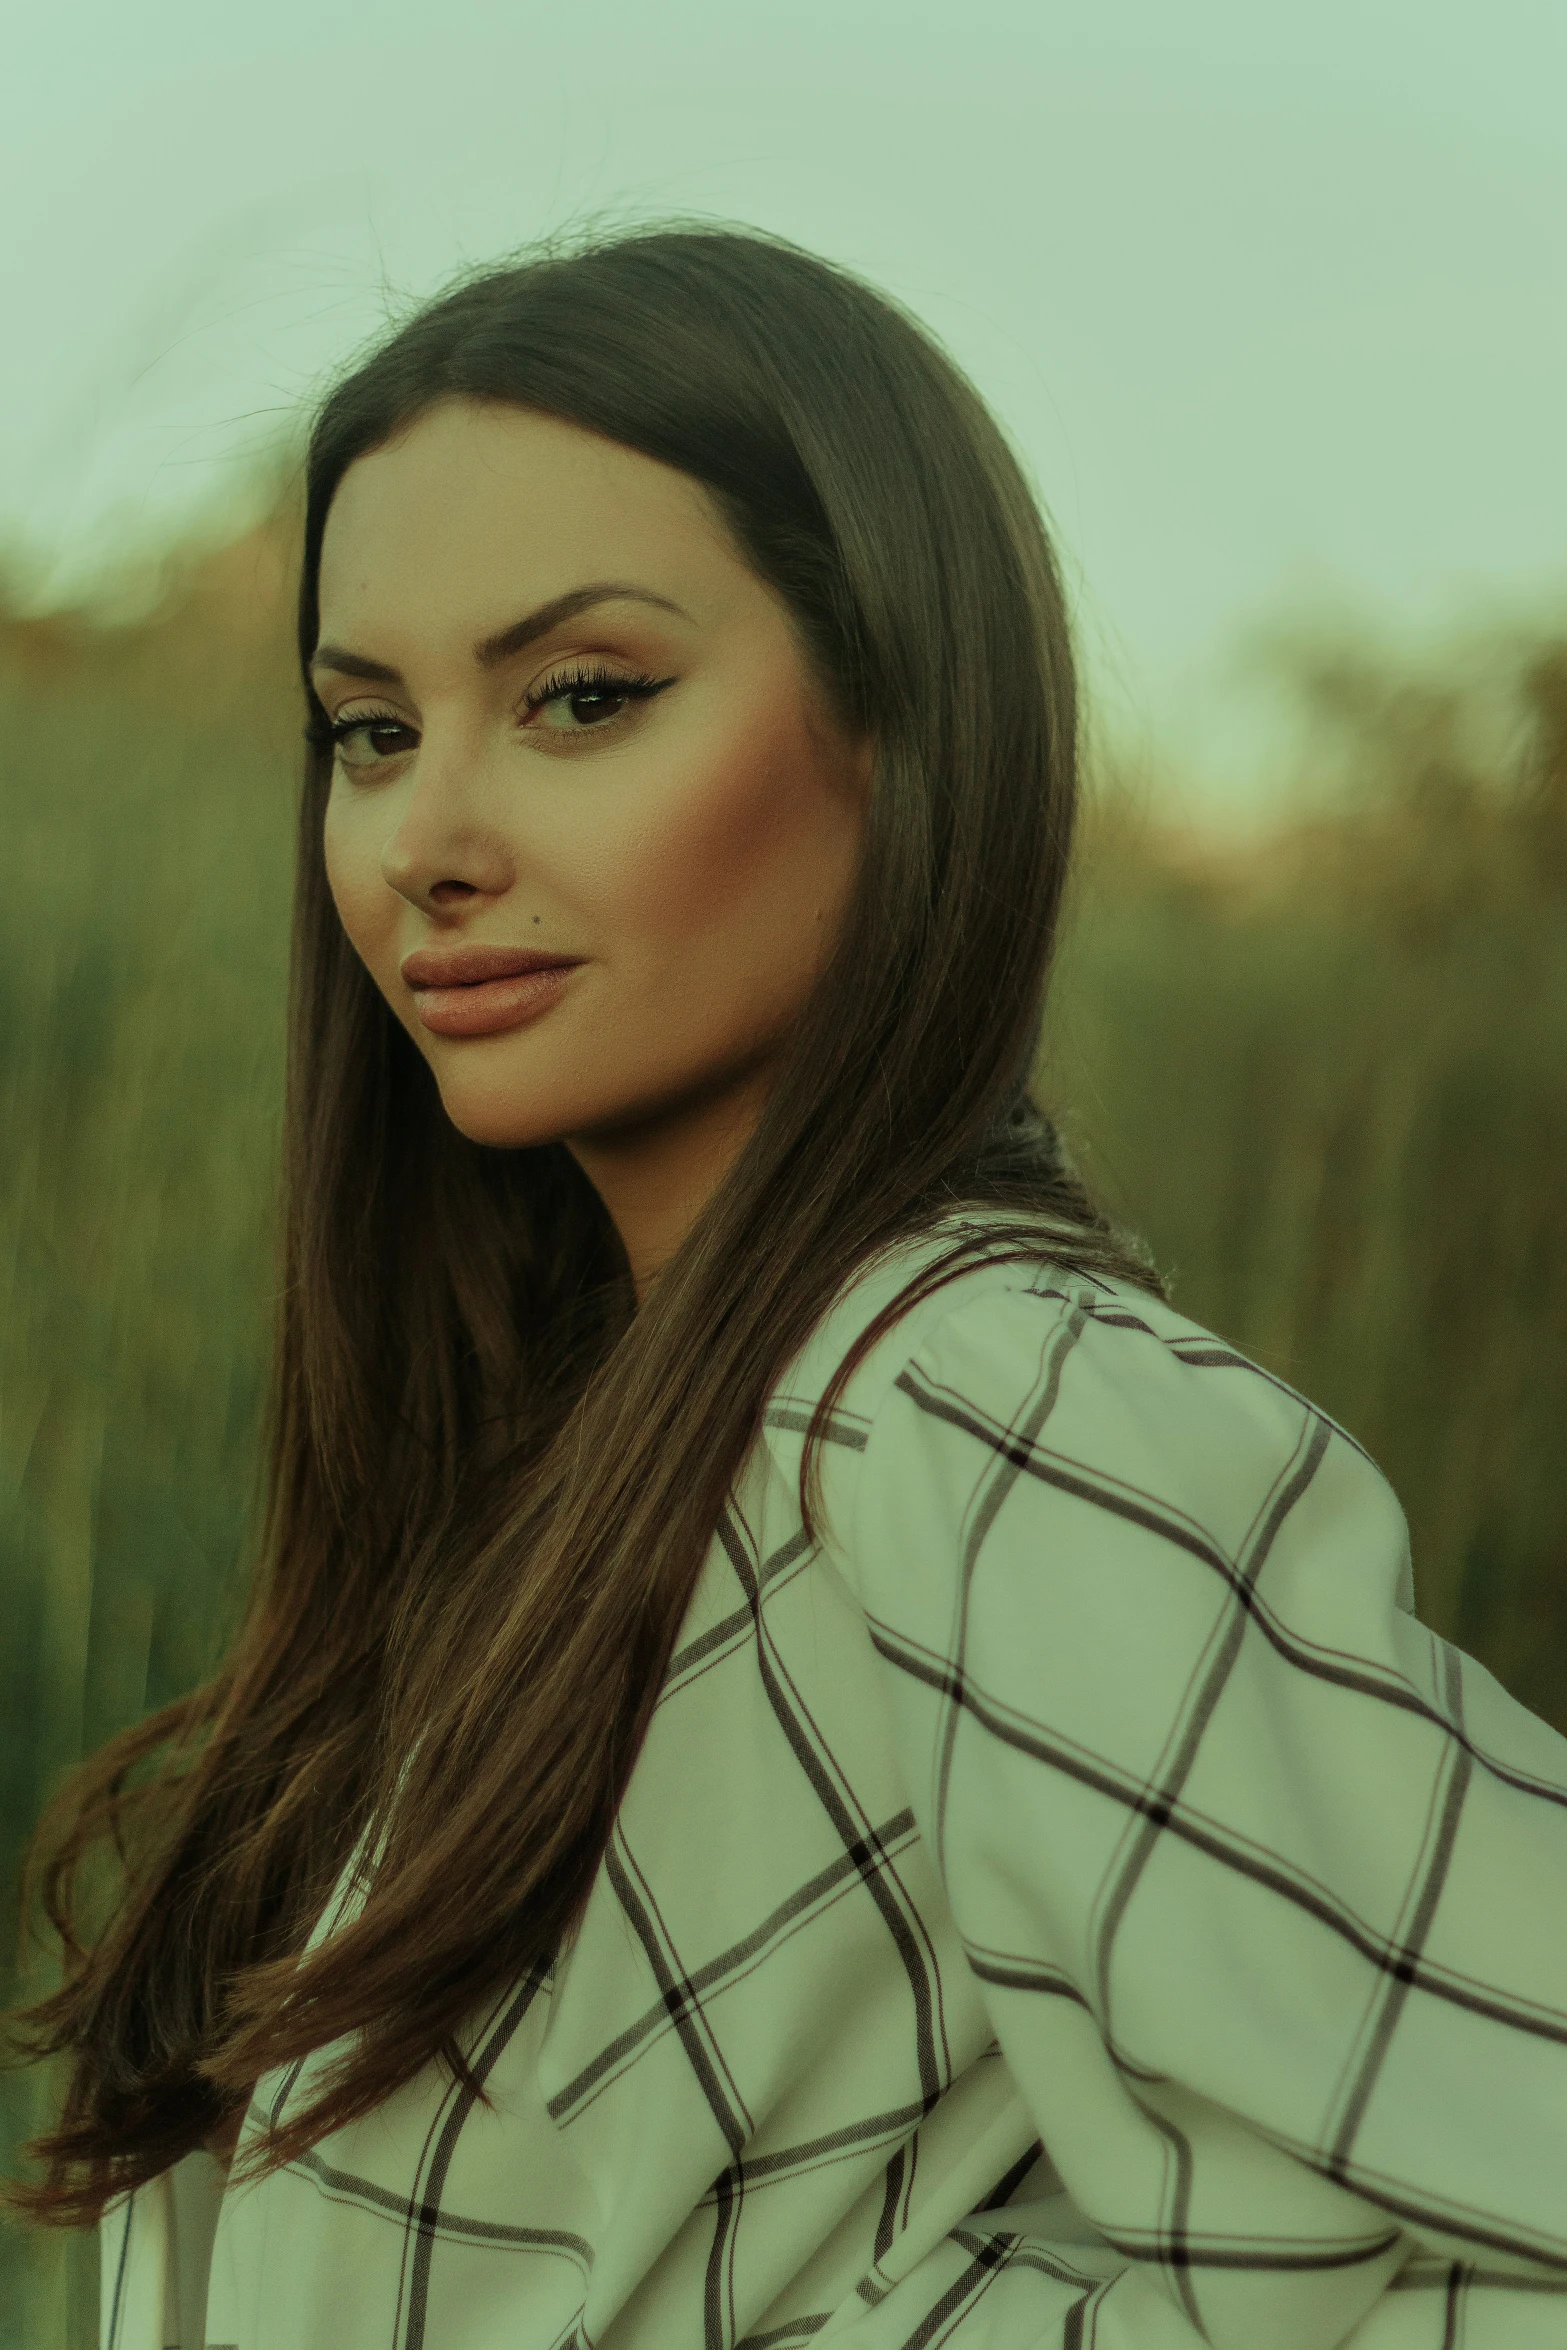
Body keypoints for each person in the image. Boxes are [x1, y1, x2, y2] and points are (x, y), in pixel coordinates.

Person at [7, 220, 1566, 2350]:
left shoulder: (992, 1411)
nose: (422, 838)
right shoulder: (567, 1452)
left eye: (582, 697)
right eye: (368, 728)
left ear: (901, 726)